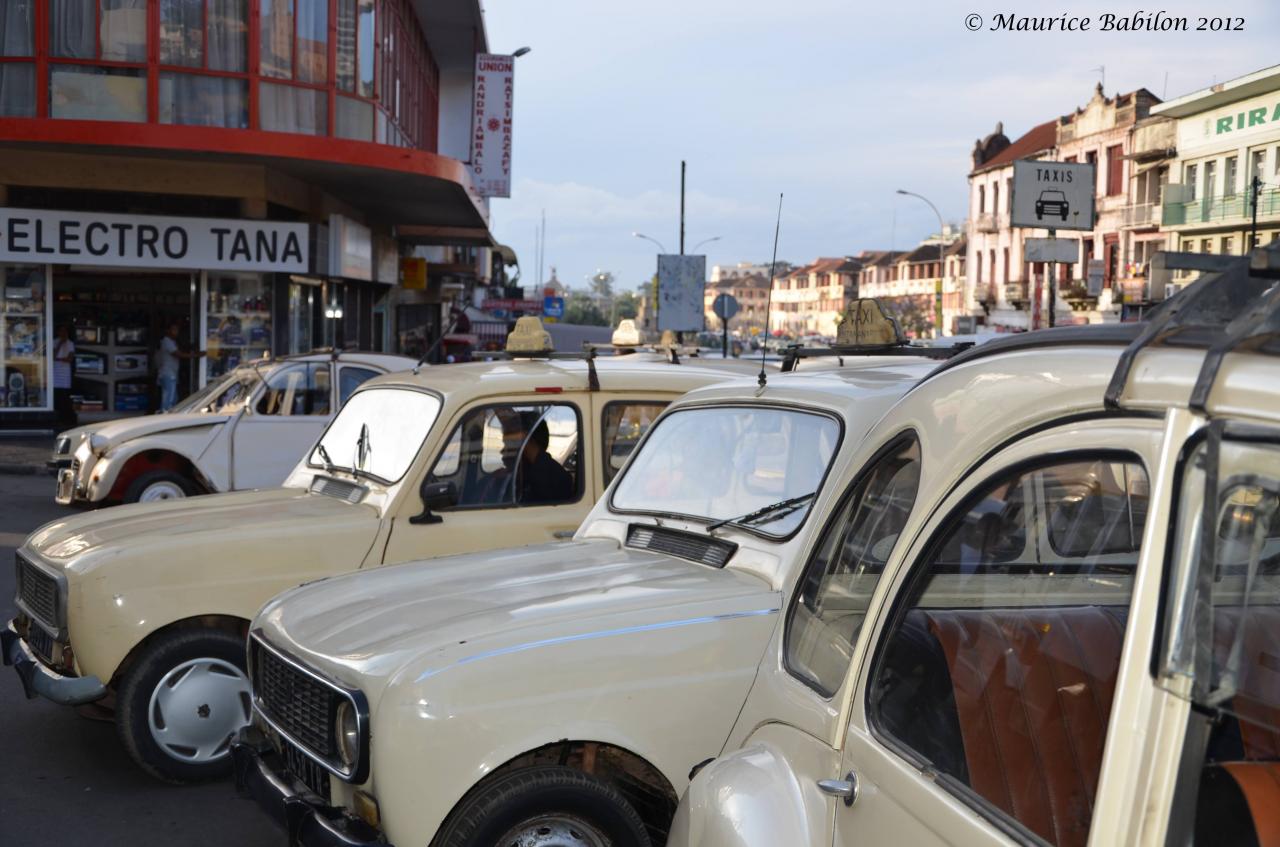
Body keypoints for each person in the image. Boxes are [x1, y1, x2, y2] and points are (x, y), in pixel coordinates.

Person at [518, 420, 574, 504]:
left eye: (511, 443)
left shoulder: (554, 478)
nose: (503, 450)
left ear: (527, 445)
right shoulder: (520, 473)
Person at [157, 322, 205, 412]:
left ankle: (168, 415)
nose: (176, 332)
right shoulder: (166, 341)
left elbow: (182, 350)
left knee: (174, 398)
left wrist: (192, 348)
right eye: (174, 330)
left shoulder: (173, 342)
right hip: (168, 373)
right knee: (169, 398)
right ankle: (165, 415)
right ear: (168, 331)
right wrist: (197, 355)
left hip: (172, 373)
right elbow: (179, 354)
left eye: (177, 330)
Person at [52, 324, 76, 427]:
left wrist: (59, 359)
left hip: (65, 373)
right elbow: (53, 355)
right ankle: (57, 418)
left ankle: (65, 419)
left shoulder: (70, 343)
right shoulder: (54, 341)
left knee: (65, 396)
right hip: (55, 372)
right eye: (61, 331)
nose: (63, 333)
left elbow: (70, 359)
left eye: (65, 331)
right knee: (56, 395)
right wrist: (60, 344)